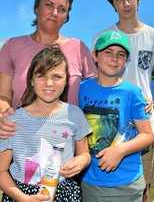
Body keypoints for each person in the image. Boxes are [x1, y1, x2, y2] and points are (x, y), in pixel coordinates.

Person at [93, 0, 154, 201]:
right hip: (110, 121)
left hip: (144, 122)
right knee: (107, 184)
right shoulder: (102, 37)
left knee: (142, 186)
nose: (126, 4)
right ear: (113, 4)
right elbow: (95, 79)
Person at [0, 0, 96, 138]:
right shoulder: (11, 46)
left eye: (62, 9)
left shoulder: (79, 48)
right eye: (49, 5)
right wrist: (2, 114)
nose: (55, 13)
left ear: (66, 17)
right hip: (20, 141)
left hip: (67, 143)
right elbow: (3, 96)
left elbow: (98, 90)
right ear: (36, 8)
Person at [0, 46, 91, 202]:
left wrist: (81, 160)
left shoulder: (75, 114)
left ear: (66, 81)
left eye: (56, 76)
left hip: (64, 193)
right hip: (21, 194)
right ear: (32, 80)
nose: (49, 83)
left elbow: (85, 154)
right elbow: (1, 171)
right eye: (41, 75)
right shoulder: (12, 120)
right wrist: (22, 198)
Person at [79, 30, 154, 202]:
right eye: (108, 52)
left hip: (125, 184)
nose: (114, 58)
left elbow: (147, 135)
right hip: (90, 180)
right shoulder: (82, 89)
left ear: (126, 61)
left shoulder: (133, 93)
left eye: (121, 54)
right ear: (95, 56)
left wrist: (120, 151)